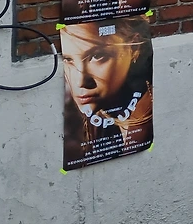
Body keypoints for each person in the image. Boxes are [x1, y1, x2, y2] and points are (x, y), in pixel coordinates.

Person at [61, 18, 154, 169]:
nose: (80, 81)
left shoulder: (145, 115)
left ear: (133, 49)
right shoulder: (92, 124)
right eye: (68, 60)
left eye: (97, 56)